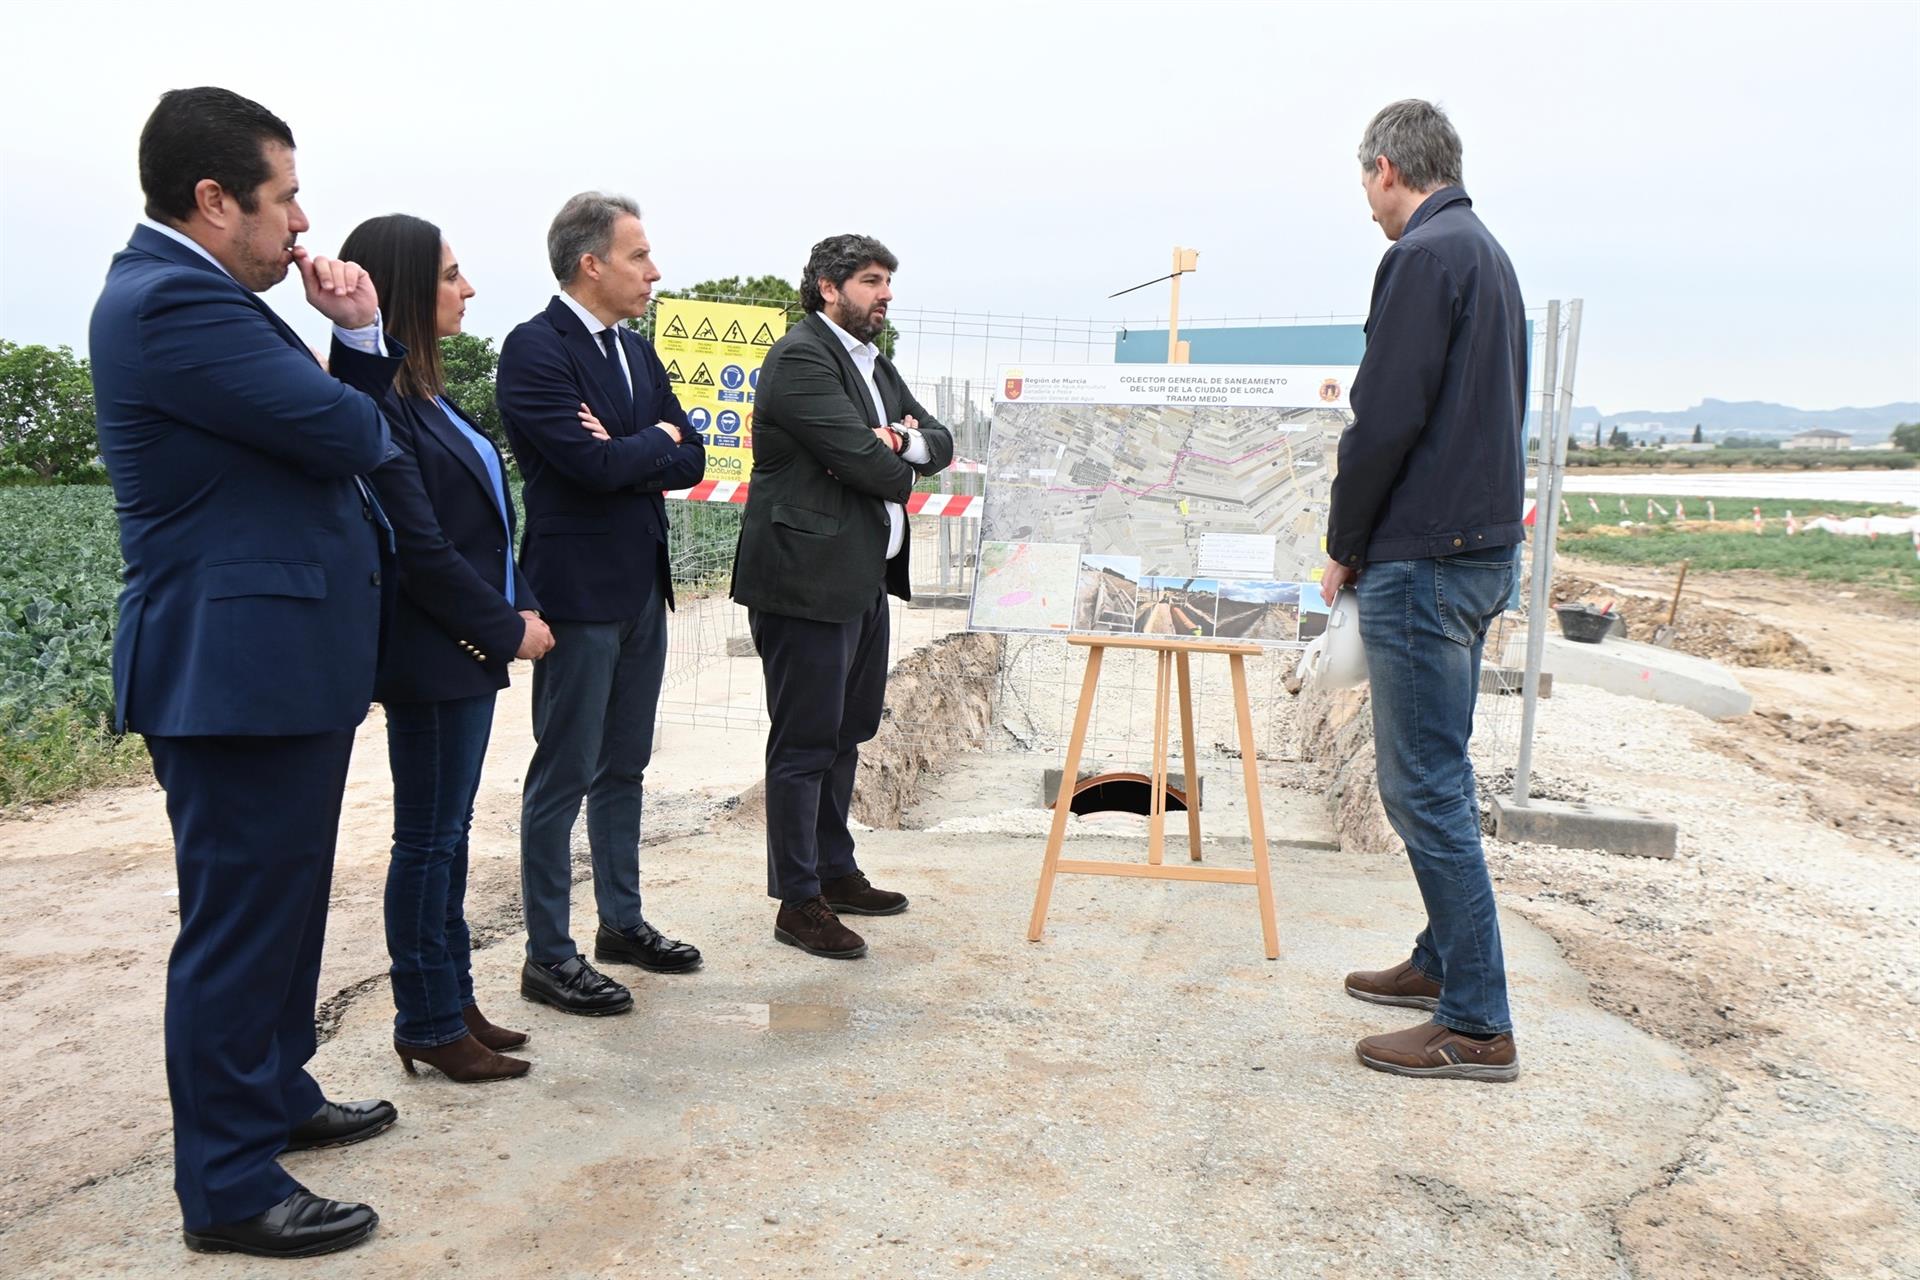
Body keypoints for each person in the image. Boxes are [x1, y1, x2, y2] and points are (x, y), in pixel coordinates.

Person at [90, 87, 402, 1257]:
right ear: (213, 200)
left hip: (275, 667)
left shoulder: (207, 299)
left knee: (278, 909)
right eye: (284, 197)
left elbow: (336, 430)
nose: (302, 221)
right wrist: (359, 354)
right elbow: (354, 437)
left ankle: (273, 1094)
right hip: (233, 671)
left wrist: (353, 350)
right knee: (237, 928)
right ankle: (226, 1184)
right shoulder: (174, 302)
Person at [1320, 100, 1529, 1083]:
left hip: (1427, 554)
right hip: (1479, 547)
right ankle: (1442, 958)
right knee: (1443, 766)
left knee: (1422, 783)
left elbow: (1384, 417)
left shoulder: (1420, 256)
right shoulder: (1485, 253)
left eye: (1366, 182)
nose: (1367, 203)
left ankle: (1477, 1020)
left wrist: (1343, 541)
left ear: (1390, 166)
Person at [342, 213, 554, 1083]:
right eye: (452, 275)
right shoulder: (382, 400)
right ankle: (426, 1019)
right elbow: (420, 548)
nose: (468, 290)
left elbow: (486, 529)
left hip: (463, 650)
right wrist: (504, 628)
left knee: (452, 837)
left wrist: (521, 601)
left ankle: (452, 996)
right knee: (428, 841)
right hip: (433, 653)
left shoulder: (429, 390)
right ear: (402, 290)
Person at [496, 193, 707, 1015]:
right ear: (592, 264)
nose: (653, 272)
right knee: (565, 772)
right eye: (639, 257)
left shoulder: (634, 351)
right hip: (578, 597)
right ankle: (549, 954)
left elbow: (692, 455)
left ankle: (621, 921)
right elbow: (587, 469)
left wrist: (641, 445)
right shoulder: (533, 350)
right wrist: (647, 443)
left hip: (637, 590)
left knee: (625, 766)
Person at [729, 234, 953, 959]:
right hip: (804, 583)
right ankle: (798, 902)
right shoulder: (800, 358)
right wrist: (891, 450)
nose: (884, 293)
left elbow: (940, 443)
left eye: (888, 280)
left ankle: (833, 868)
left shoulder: (872, 363)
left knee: (847, 732)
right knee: (802, 743)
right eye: (870, 280)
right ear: (829, 288)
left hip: (860, 582)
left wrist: (900, 441)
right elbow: (871, 468)